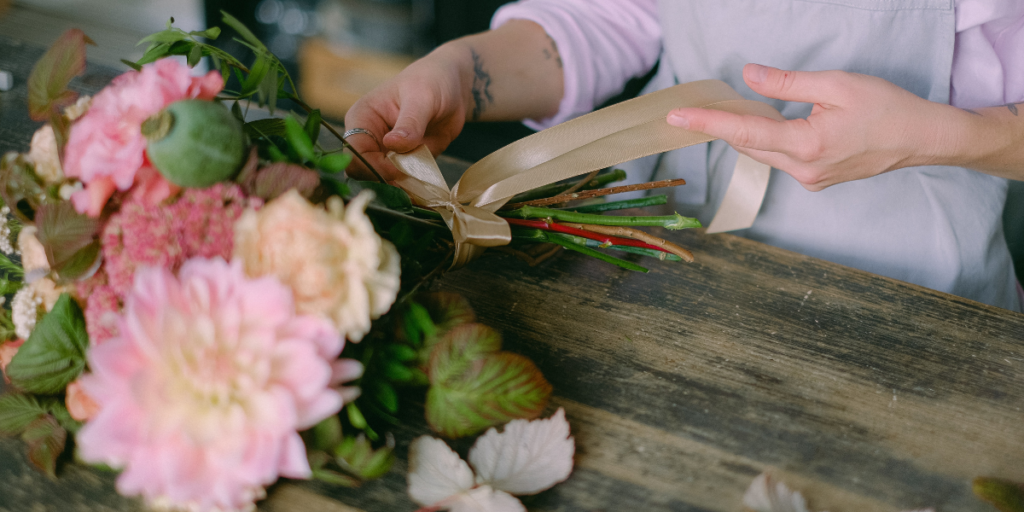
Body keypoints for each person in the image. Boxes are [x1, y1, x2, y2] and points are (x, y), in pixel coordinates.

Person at [343, 0, 1024, 312]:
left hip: (916, 297)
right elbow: (615, 16)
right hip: (657, 246)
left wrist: (938, 136)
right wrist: (461, 72)